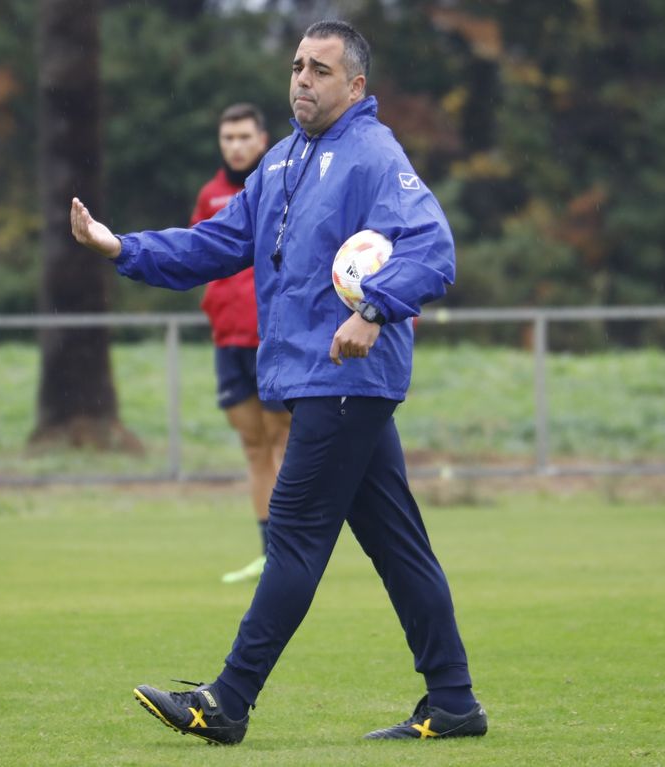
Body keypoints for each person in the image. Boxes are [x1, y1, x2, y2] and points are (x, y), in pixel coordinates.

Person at [70, 20, 485, 744]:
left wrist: (377, 308)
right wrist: (122, 247)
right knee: (398, 545)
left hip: (345, 380)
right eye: (296, 65)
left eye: (320, 69)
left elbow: (434, 247)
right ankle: (453, 700)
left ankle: (227, 699)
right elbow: (218, 243)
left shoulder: (372, 155)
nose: (301, 79)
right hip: (317, 382)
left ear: (355, 86)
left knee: (291, 539)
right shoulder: (282, 161)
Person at [194, 103, 293, 585]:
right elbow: (197, 252)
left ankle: (291, 552)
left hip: (270, 338)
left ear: (262, 139)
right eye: (226, 137)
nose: (234, 146)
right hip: (227, 340)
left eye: (243, 137)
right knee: (254, 448)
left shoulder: (281, 184)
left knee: (283, 442)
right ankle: (266, 550)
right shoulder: (210, 196)